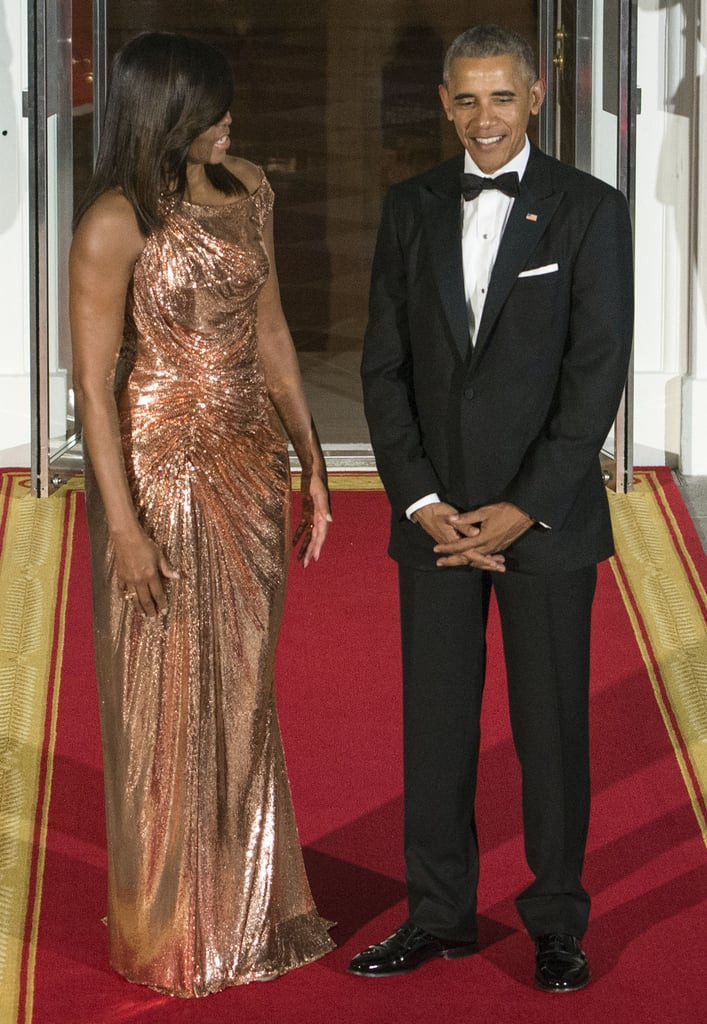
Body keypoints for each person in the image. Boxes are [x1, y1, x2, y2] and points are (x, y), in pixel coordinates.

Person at [348, 24, 633, 991]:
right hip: (433, 522)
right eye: (464, 100)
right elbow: (383, 368)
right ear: (440, 101)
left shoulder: (591, 211)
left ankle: (555, 919)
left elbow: (594, 377)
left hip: (543, 525)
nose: (482, 119)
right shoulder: (410, 207)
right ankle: (437, 915)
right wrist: (423, 499)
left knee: (551, 731)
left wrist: (521, 508)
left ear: (538, 93)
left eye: (500, 98)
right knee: (435, 729)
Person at [70, 32, 334, 997]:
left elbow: (269, 328)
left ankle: (251, 900)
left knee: (242, 686)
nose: (232, 123)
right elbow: (94, 389)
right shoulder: (114, 222)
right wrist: (125, 526)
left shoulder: (250, 187)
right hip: (161, 474)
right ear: (167, 114)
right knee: (171, 697)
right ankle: (177, 928)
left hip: (247, 467)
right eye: (214, 110)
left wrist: (309, 457)